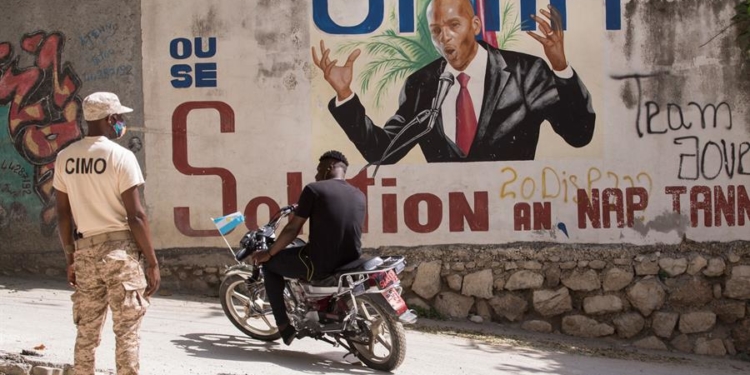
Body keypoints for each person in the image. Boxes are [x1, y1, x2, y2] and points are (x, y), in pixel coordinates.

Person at [312, 0, 596, 163]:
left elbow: (579, 135)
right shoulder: (421, 84)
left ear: (474, 26)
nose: (443, 37)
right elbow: (383, 152)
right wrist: (345, 94)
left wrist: (560, 66)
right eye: (436, 30)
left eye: (453, 26)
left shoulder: (526, 72)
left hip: (513, 215)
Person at [53, 92, 160, 375]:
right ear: (110, 119)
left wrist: (70, 258)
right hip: (121, 255)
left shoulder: (65, 157)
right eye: (120, 117)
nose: (122, 122)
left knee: (86, 334)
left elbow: (63, 215)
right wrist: (152, 261)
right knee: (126, 333)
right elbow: (136, 216)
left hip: (85, 253)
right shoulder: (121, 156)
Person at [251, 150, 366, 345]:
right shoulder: (359, 194)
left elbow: (292, 229)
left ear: (329, 167)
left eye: (319, 169)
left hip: (320, 264)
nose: (315, 174)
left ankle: (283, 327)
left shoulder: (314, 189)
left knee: (270, 266)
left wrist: (268, 253)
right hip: (351, 261)